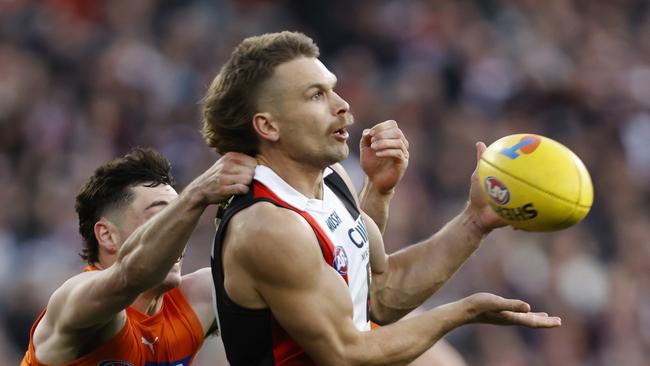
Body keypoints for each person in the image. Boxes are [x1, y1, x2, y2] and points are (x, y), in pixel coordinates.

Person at [202, 31, 561, 366]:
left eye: (333, 89)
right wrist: (462, 312)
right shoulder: (267, 225)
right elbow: (345, 353)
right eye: (316, 95)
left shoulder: (331, 179)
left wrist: (474, 220)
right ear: (268, 126)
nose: (342, 105)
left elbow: (380, 295)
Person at [20, 148, 258, 365]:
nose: (178, 235)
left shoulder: (200, 297)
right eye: (161, 218)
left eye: (179, 221)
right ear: (107, 235)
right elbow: (130, 276)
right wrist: (196, 196)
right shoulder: (76, 300)